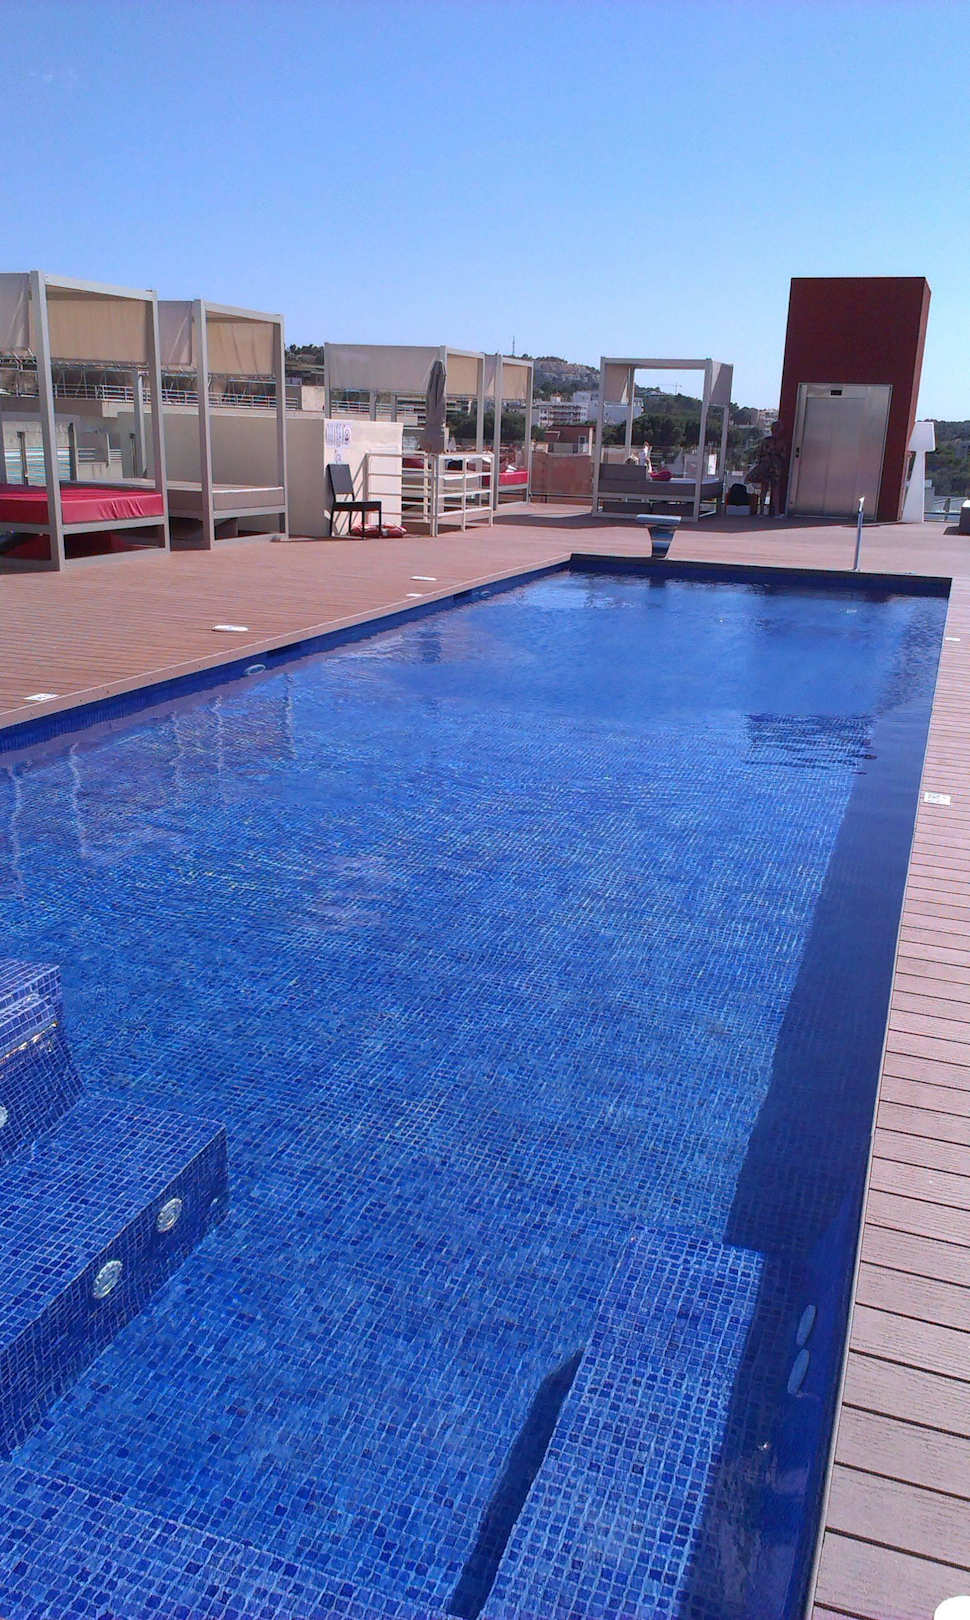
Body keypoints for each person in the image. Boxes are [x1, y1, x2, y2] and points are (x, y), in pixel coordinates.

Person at [748, 421, 788, 516]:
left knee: (764, 489)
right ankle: (776, 512)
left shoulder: (766, 441)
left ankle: (761, 511)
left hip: (765, 466)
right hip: (776, 467)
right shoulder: (782, 442)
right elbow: (784, 456)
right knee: (775, 490)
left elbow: (759, 454)